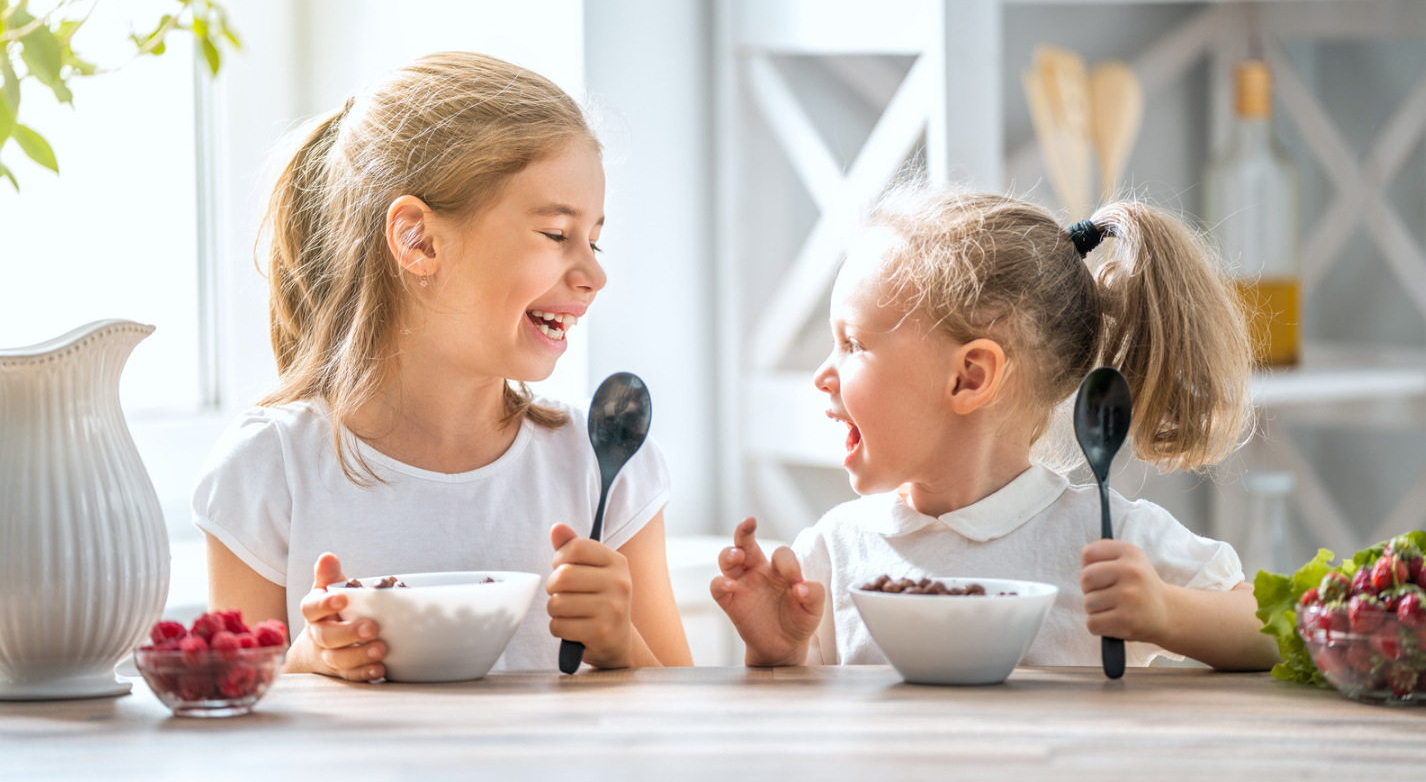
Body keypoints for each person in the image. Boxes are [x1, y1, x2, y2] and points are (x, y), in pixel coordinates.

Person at [194, 52, 692, 679]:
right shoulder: (269, 470)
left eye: (594, 239)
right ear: (418, 241)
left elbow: (682, 711)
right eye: (556, 234)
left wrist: (625, 649)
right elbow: (236, 730)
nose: (595, 274)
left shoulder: (605, 464)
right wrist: (305, 662)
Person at [711, 182, 1281, 671]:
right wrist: (780, 655)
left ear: (969, 378)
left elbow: (1277, 631)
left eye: (853, 344)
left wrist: (1166, 612)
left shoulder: (1106, 539)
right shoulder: (830, 556)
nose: (821, 375)